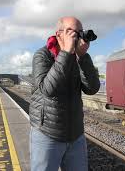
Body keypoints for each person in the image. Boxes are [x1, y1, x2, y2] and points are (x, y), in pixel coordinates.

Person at [29, 16, 100, 171]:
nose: (76, 36)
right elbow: (48, 90)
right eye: (70, 31)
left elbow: (92, 88)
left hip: (75, 134)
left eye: (79, 32)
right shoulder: (42, 55)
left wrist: (83, 57)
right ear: (58, 34)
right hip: (47, 133)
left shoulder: (78, 57)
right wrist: (66, 53)